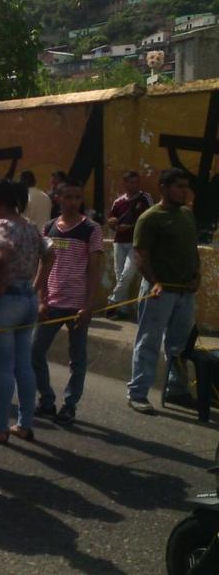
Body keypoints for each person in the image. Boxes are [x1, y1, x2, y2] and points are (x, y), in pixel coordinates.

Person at [0, 178, 52, 444]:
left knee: (2, 368)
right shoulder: (29, 226)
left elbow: (1, 256)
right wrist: (37, 287)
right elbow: (50, 254)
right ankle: (24, 424)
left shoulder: (1, 225)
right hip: (27, 297)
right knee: (22, 364)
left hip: (4, 302)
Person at [127, 168, 200, 414]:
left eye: (185, 186)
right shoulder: (150, 218)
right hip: (159, 291)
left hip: (185, 293)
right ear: (163, 188)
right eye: (178, 186)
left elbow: (192, 250)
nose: (184, 191)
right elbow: (140, 255)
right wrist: (154, 281)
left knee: (180, 346)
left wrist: (196, 276)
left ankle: (176, 390)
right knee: (149, 341)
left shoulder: (188, 215)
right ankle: (137, 393)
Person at [31, 178, 104, 426]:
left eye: (77, 197)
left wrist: (88, 305)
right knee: (34, 352)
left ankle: (70, 405)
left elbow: (94, 270)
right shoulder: (49, 227)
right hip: (51, 303)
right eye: (68, 197)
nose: (73, 202)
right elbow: (43, 265)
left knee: (77, 358)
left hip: (77, 305)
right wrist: (40, 299)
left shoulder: (91, 229)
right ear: (58, 199)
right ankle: (47, 400)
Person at [106, 170, 154, 319]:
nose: (134, 185)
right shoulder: (118, 202)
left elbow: (151, 217)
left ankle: (112, 301)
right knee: (120, 274)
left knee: (127, 274)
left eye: (136, 182)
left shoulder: (145, 198)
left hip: (137, 243)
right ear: (125, 183)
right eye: (131, 182)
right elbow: (110, 220)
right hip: (119, 242)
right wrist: (114, 224)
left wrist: (132, 227)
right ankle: (123, 310)